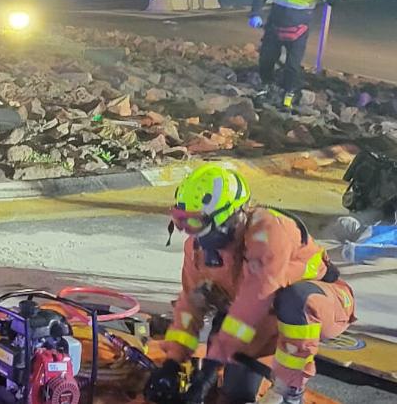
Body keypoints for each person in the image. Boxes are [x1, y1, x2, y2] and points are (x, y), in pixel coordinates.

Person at [147, 165, 355, 404]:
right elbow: (190, 306)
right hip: (259, 317)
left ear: (229, 216)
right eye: (183, 222)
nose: (191, 233)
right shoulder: (197, 247)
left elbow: (253, 304)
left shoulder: (270, 232)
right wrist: (173, 363)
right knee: (233, 397)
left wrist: (207, 373)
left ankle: (289, 391)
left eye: (195, 223)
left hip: (321, 304)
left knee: (295, 299)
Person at [248, 0, 344, 109]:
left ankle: (288, 94)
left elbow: (329, 0)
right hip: (275, 24)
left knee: (292, 65)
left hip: (299, 28)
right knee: (266, 59)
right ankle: (267, 86)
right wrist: (255, 13)